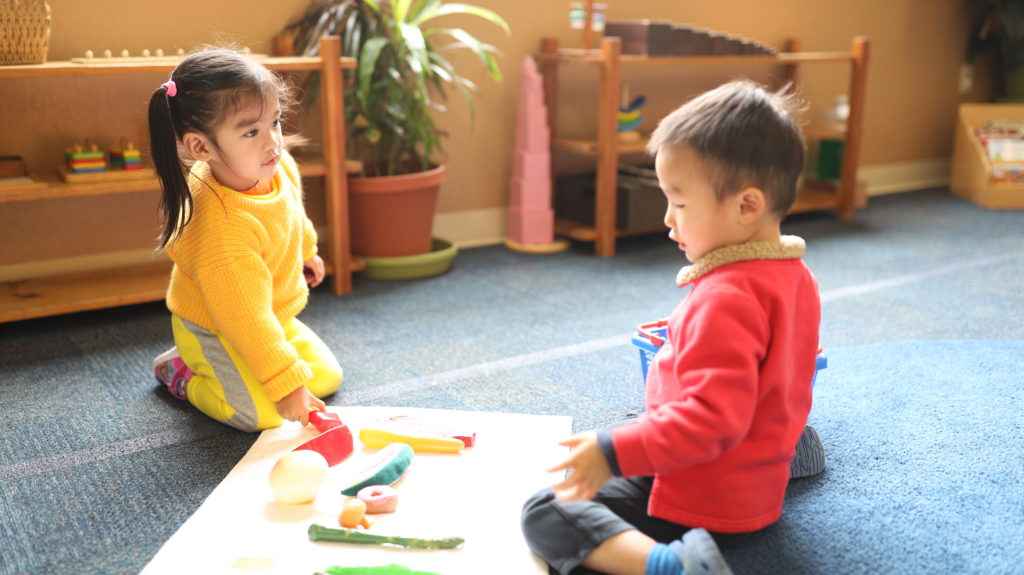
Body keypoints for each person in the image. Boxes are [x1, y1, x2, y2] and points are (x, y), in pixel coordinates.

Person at [521, 80, 823, 575]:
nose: (668, 219)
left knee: (548, 510)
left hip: (703, 500)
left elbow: (711, 422)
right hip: (757, 477)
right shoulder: (795, 274)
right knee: (613, 444)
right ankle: (793, 454)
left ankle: (670, 565)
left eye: (679, 204)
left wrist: (613, 452)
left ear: (747, 206)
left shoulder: (725, 296)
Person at [147, 48, 342, 432]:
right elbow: (245, 318)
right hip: (215, 327)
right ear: (201, 147)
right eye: (251, 132)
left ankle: (259, 367)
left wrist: (308, 250)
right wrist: (285, 386)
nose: (273, 142)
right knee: (260, 415)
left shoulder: (276, 164)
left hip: (268, 314)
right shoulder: (221, 227)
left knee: (325, 379)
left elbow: (292, 213)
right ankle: (181, 371)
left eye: (275, 122)